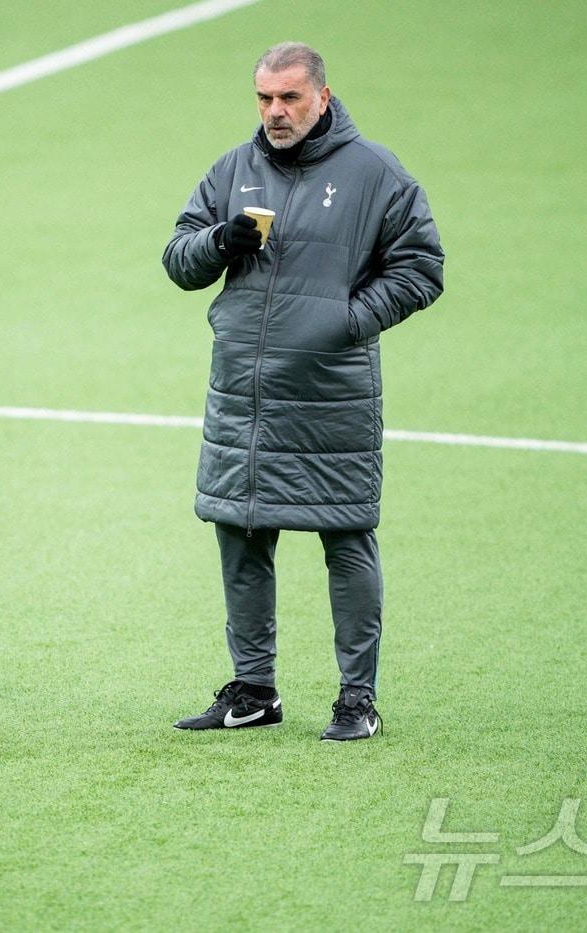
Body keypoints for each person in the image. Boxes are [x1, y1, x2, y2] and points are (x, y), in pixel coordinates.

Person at [161, 42, 444, 741]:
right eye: (264, 97)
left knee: (345, 536)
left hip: (329, 393)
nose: (275, 112)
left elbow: (421, 268)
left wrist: (345, 322)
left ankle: (357, 700)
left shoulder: (375, 173)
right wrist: (218, 244)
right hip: (244, 395)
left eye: (289, 97)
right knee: (240, 531)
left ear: (322, 96)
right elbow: (178, 258)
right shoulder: (234, 168)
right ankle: (255, 690)